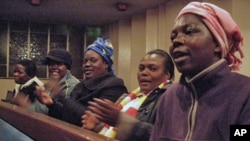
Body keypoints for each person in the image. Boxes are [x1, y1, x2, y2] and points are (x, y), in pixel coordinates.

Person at [150, 2, 250, 141]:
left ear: (217, 43)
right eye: (173, 37)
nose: (176, 41)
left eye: (189, 31)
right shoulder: (169, 97)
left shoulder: (245, 94)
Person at [82, 49, 175, 141]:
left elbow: (163, 137)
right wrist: (97, 125)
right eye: (141, 68)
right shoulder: (127, 98)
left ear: (167, 74)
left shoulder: (171, 99)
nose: (144, 73)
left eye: (153, 69)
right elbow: (113, 129)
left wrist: (121, 120)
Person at [36, 37, 128, 126]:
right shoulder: (81, 85)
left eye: (93, 60)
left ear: (106, 64)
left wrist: (60, 94)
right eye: (85, 61)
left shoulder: (114, 86)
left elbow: (89, 119)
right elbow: (66, 117)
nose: (87, 64)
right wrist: (51, 104)